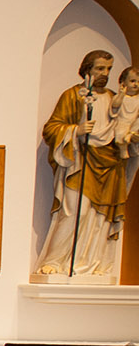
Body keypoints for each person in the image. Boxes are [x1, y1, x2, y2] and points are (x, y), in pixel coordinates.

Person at [35, 50, 133, 278]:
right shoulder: (73, 96)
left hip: (108, 166)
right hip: (80, 163)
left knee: (99, 219)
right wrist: (76, 131)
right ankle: (55, 262)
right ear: (87, 69)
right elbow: (51, 129)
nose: (105, 74)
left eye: (108, 69)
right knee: (74, 213)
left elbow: (123, 128)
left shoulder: (114, 99)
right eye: (100, 68)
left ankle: (91, 265)